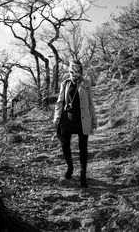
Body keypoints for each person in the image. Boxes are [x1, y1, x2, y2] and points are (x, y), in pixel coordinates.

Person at [53, 60, 97, 188]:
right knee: (65, 145)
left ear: (81, 71)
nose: (75, 73)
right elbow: (60, 102)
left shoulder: (86, 83)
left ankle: (83, 176)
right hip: (67, 119)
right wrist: (57, 117)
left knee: (83, 147)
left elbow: (90, 104)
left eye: (78, 70)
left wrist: (94, 121)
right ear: (70, 70)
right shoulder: (65, 83)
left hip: (83, 120)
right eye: (73, 70)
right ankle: (70, 168)